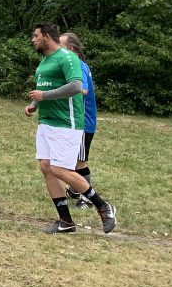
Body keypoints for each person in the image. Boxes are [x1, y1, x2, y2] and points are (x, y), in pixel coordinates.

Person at [25, 23, 116, 234]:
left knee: (59, 169)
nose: (33, 39)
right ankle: (66, 221)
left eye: (36, 36)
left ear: (46, 36)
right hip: (46, 122)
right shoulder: (45, 61)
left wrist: (44, 96)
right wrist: (35, 104)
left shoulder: (67, 57)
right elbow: (45, 88)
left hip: (66, 122)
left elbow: (76, 87)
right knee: (47, 167)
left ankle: (103, 206)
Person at [60, 32, 98, 209]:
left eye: (61, 46)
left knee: (79, 161)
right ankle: (76, 190)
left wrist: (60, 90)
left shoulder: (79, 66)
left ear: (71, 48)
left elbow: (83, 90)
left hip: (83, 122)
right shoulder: (74, 65)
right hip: (74, 121)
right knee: (71, 158)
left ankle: (87, 198)